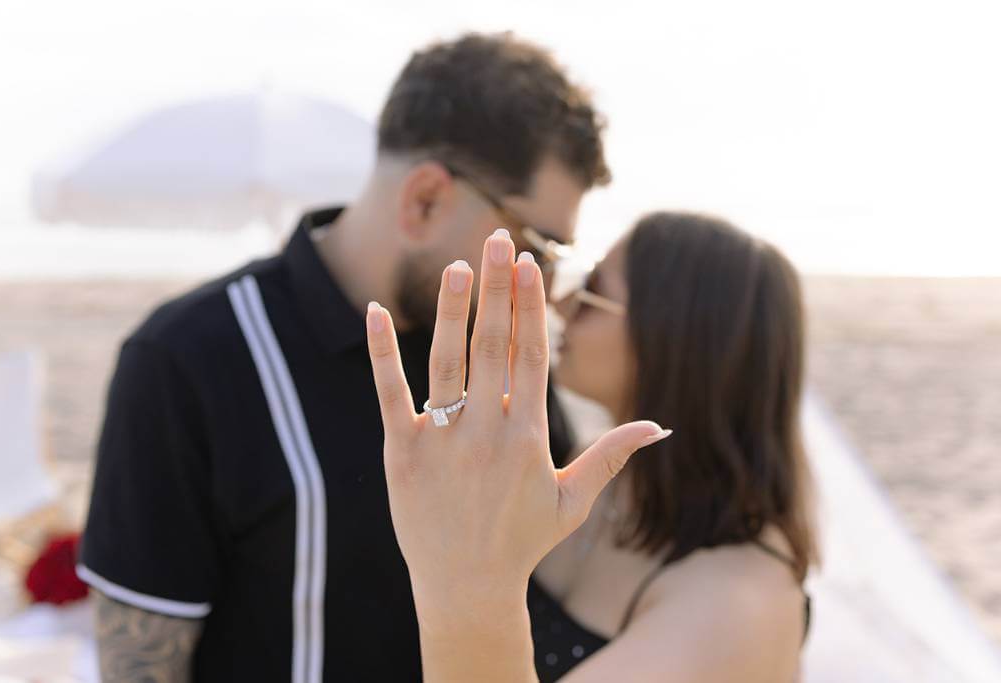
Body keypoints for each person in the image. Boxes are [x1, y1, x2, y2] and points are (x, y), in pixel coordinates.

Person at [77, 32, 610, 681]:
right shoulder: (186, 359)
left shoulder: (500, 361)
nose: (544, 286)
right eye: (538, 246)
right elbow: (140, 664)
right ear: (425, 200)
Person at [366, 212, 818, 682]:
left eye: (592, 292)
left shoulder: (739, 604)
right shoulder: (591, 470)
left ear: (673, 335)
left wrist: (464, 573)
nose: (562, 305)